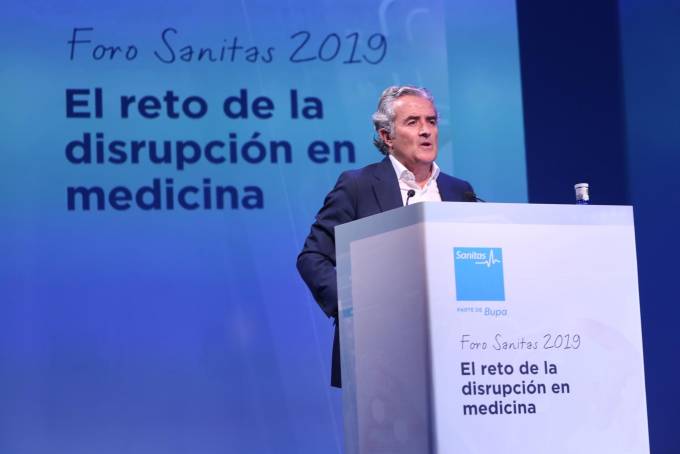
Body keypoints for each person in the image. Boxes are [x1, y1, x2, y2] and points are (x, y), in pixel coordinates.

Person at [297, 85, 474, 387]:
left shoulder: (460, 191)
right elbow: (313, 257)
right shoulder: (358, 185)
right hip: (376, 350)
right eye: (413, 122)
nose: (426, 131)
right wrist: (354, 306)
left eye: (431, 121)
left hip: (453, 347)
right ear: (386, 136)